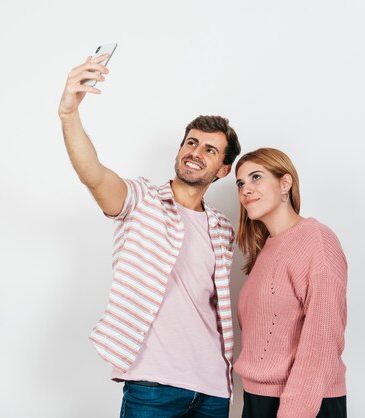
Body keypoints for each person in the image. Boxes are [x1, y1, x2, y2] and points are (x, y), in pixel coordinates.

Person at [59, 53, 242, 417]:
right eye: (191, 143)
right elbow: (93, 174)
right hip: (153, 385)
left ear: (222, 170)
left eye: (209, 150)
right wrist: (69, 113)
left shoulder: (223, 228)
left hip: (214, 388)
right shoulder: (141, 199)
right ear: (179, 149)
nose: (195, 153)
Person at [233, 148, 348, 418]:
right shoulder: (267, 249)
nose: (245, 190)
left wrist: (293, 411)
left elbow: (322, 340)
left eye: (256, 177)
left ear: (285, 184)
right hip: (259, 400)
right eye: (240, 183)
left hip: (302, 403)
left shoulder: (316, 240)